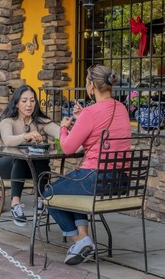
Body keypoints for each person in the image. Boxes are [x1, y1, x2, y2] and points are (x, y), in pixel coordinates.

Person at [42, 64, 131, 265]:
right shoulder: (122, 108)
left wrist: (64, 128)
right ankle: (83, 240)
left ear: (91, 86)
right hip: (121, 181)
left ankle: (80, 241)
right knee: (72, 187)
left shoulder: (91, 112)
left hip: (95, 179)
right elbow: (99, 132)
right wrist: (83, 118)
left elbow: (67, 148)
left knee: (49, 193)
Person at [0, 84, 60, 227]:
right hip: (3, 165)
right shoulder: (7, 120)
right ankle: (15, 203)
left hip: (28, 167)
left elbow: (59, 132)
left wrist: (69, 128)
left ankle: (40, 199)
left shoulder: (39, 121)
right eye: (24, 101)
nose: (29, 105)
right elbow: (8, 140)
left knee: (41, 157)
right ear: (17, 103)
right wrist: (26, 136)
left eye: (32, 100)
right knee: (22, 157)